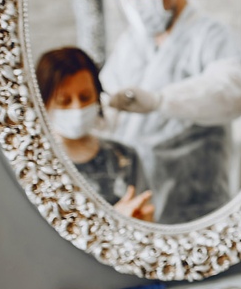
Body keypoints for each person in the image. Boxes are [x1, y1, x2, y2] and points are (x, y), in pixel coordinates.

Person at [100, 0, 241, 224]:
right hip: (134, 198)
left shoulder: (211, 36)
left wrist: (159, 101)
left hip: (193, 203)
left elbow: (237, 90)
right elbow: (109, 96)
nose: (138, 6)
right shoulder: (131, 44)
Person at [37, 47, 154, 221]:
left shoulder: (125, 156)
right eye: (64, 101)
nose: (77, 108)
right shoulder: (38, 164)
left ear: (98, 96)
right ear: (43, 103)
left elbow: (145, 218)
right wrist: (113, 221)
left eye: (85, 97)